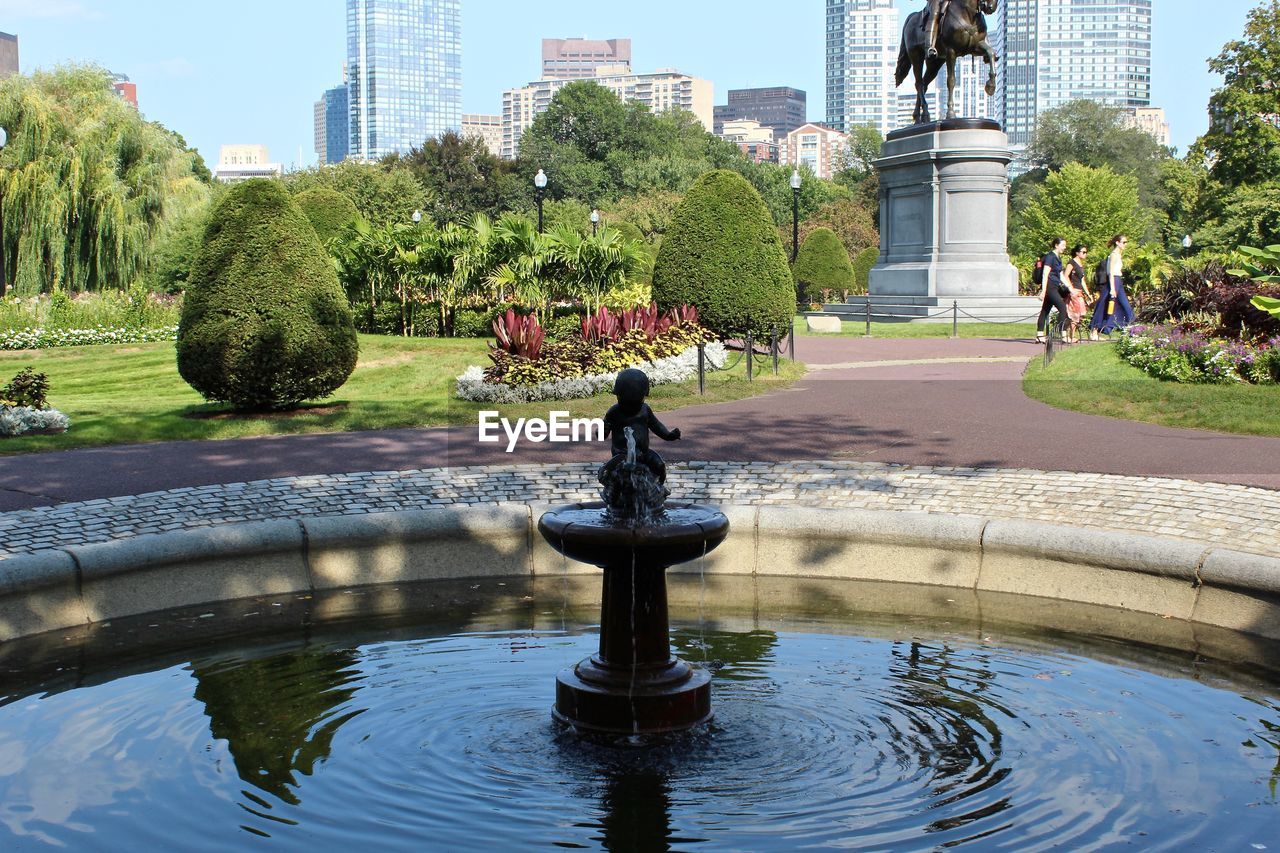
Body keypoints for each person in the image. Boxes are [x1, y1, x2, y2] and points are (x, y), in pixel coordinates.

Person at [599, 368, 681, 487]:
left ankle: (658, 489)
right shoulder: (614, 412)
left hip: (643, 453)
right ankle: (612, 492)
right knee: (609, 472)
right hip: (621, 454)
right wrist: (603, 429)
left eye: (636, 402)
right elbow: (601, 435)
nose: (630, 406)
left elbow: (656, 425)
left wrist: (668, 435)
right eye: (625, 402)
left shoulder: (645, 410)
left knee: (660, 466)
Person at [1088, 234, 1135, 340]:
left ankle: (1131, 329)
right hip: (1113, 282)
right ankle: (1094, 330)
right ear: (1117, 243)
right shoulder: (1113, 255)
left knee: (1125, 305)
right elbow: (1111, 273)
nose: (1125, 244)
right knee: (1103, 304)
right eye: (1123, 242)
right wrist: (1113, 288)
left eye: (1126, 242)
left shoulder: (1118, 255)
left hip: (1118, 281)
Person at [1035, 237, 1069, 344]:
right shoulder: (1050, 257)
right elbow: (1045, 273)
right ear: (1056, 245)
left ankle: (1039, 335)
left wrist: (1069, 287)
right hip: (1050, 287)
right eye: (1062, 245)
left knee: (1045, 311)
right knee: (1062, 307)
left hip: (1055, 286)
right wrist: (1044, 291)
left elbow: (1060, 274)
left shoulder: (1057, 257)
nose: (1064, 247)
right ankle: (1063, 334)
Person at [1064, 244, 1093, 344]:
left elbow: (1082, 280)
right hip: (1074, 291)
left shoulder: (1080, 264)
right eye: (1083, 252)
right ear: (1077, 253)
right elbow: (1065, 275)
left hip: (1079, 291)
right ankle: (1070, 335)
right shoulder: (1072, 263)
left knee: (1079, 314)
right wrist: (1071, 288)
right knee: (1075, 314)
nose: (1085, 254)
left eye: (1086, 252)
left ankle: (1071, 335)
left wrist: (1088, 293)